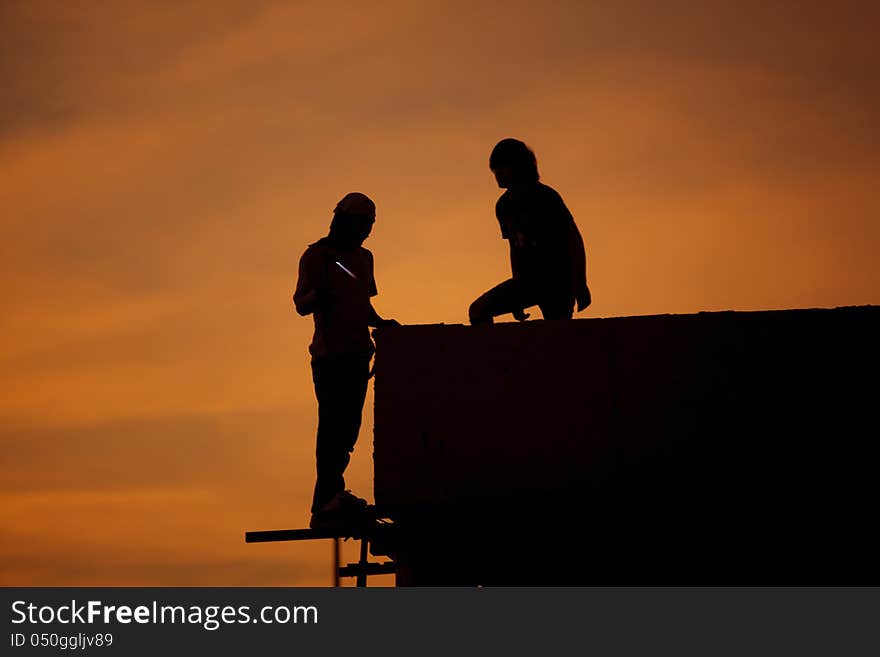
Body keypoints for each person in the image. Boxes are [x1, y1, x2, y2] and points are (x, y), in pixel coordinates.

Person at [293, 192, 398, 530]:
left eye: (369, 226)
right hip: (330, 356)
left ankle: (333, 497)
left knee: (347, 431)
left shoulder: (365, 258)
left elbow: (362, 305)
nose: (365, 231)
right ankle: (324, 502)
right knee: (332, 429)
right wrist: (320, 293)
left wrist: (382, 323)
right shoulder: (317, 256)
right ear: (344, 222)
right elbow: (301, 303)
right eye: (361, 224)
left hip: (357, 355)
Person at [469, 138, 591, 324]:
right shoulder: (503, 206)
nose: (497, 174)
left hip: (557, 281)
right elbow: (515, 248)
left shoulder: (545, 197)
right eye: (495, 169)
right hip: (528, 282)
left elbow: (573, 239)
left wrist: (580, 283)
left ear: (518, 166)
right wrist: (516, 294)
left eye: (502, 167)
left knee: (557, 336)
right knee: (478, 311)